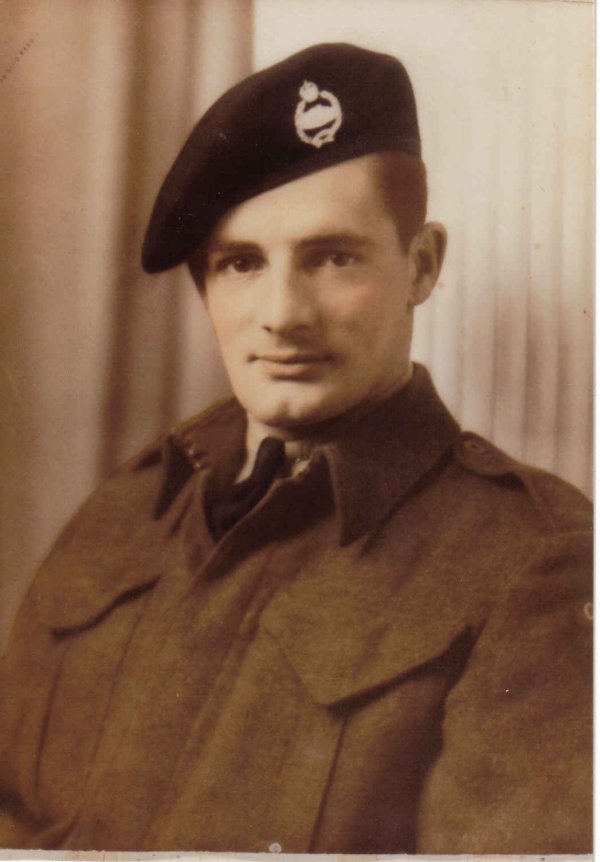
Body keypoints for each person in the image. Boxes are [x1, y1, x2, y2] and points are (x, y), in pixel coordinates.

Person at [0, 43, 591, 854]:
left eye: (333, 257)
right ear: (205, 287)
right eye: (241, 264)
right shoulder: (129, 508)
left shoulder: (534, 560)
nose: (282, 313)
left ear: (421, 267)